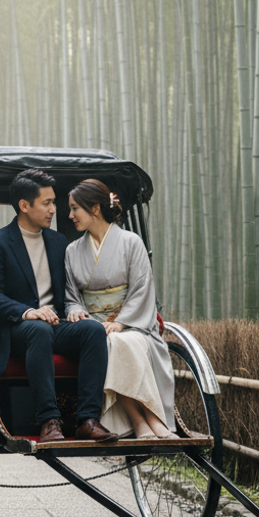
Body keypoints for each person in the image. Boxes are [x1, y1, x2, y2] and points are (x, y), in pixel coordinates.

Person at [0, 169, 118, 445]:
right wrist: (27, 311)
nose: (54, 209)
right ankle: (48, 420)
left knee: (92, 331)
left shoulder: (57, 242)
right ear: (24, 206)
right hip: (16, 330)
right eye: (47, 203)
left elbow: (68, 288)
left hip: (56, 325)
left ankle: (87, 419)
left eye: (54, 202)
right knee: (38, 329)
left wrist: (74, 307)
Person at [64, 179, 178, 440]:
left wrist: (122, 321)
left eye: (74, 209)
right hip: (93, 327)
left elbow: (142, 289)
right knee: (107, 340)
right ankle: (143, 421)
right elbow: (71, 296)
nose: (70, 215)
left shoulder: (131, 242)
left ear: (95, 209)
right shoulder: (72, 251)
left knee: (120, 341)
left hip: (133, 323)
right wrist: (73, 309)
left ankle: (150, 419)